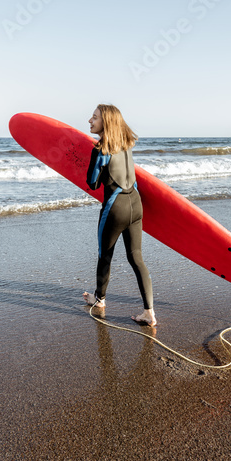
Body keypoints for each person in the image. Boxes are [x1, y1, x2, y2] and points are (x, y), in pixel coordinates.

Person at [82, 104, 156, 326]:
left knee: (104, 255)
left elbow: (92, 183)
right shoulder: (126, 145)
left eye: (94, 118)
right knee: (136, 258)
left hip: (115, 208)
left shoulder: (101, 149)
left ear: (106, 122)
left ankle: (100, 300)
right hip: (135, 204)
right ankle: (149, 313)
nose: (89, 121)